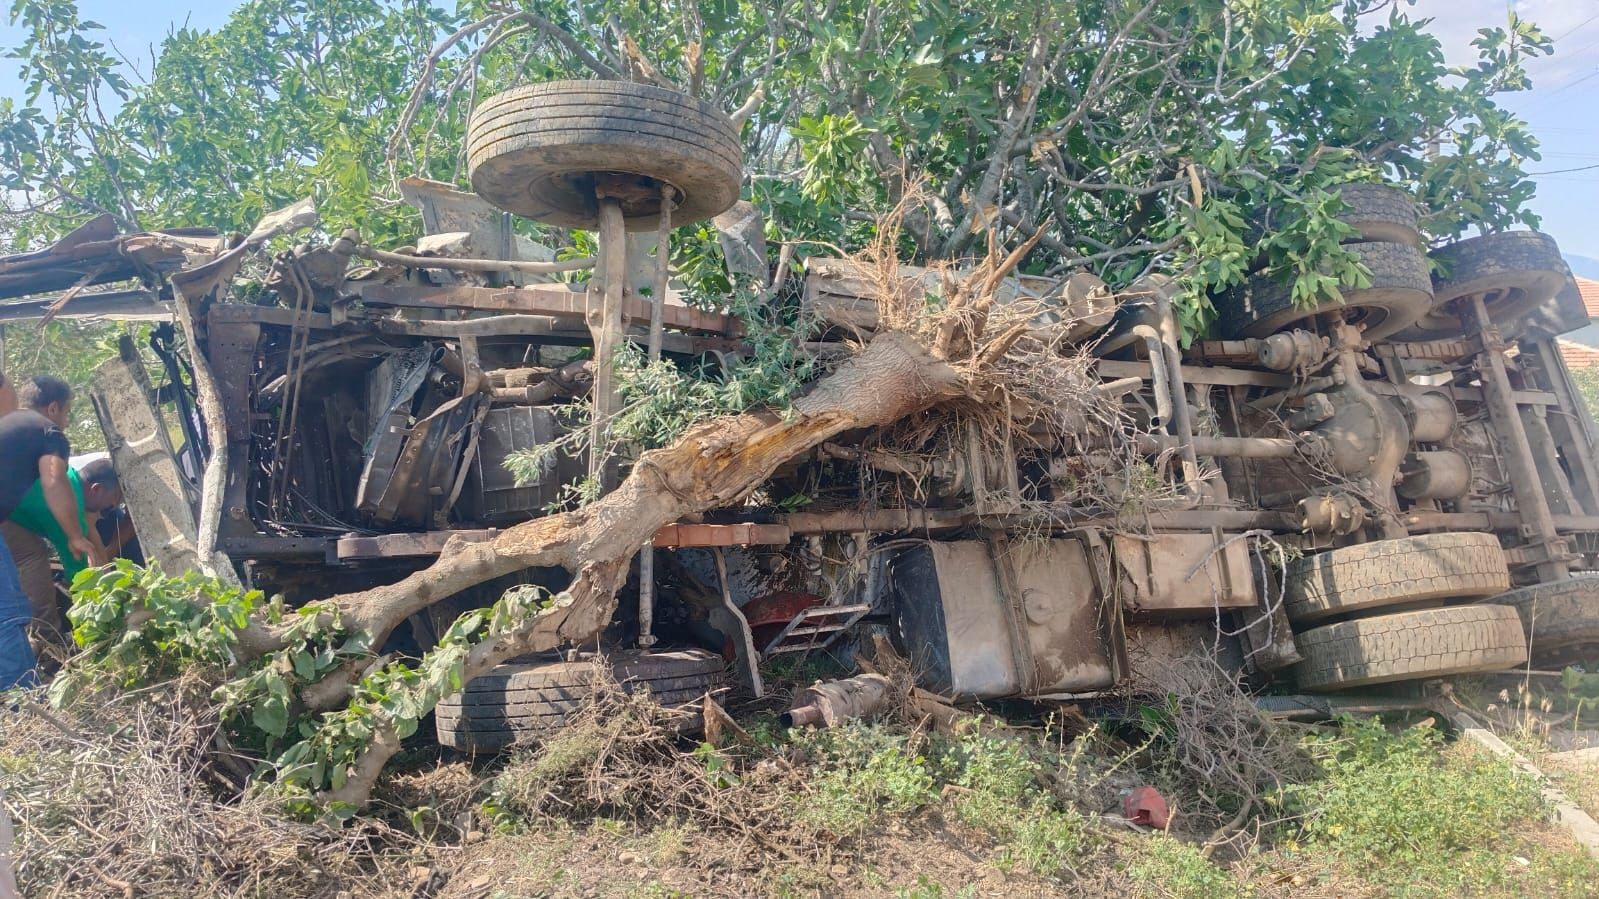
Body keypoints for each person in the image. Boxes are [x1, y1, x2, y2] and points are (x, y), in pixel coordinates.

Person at [0, 376, 98, 689]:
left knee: (29, 559)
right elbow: (53, 480)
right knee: (9, 613)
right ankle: (22, 697)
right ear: (53, 408)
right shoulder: (47, 432)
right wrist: (75, 536)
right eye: (67, 412)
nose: (66, 420)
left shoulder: (10, 430)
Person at [4, 457, 122, 656]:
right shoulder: (68, 508)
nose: (109, 509)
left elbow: (92, 539)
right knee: (33, 557)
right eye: (112, 502)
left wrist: (108, 575)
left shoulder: (70, 479)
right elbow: (80, 575)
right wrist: (101, 618)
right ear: (97, 489)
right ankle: (49, 643)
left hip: (10, 506)